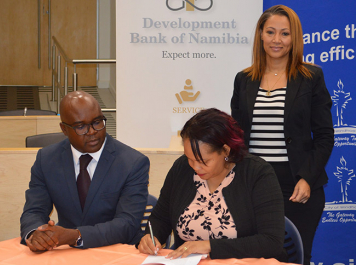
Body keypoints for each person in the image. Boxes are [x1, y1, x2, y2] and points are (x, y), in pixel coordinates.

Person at [230, 5, 334, 265]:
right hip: (253, 184)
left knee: (292, 258)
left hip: (298, 186)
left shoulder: (311, 77)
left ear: (294, 38)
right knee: (253, 258)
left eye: (285, 34)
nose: (277, 40)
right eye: (271, 32)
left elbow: (324, 135)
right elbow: (236, 137)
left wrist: (307, 178)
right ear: (260, 35)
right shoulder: (243, 79)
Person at [138, 108, 287, 261]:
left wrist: (210, 246)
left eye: (204, 161)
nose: (195, 167)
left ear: (226, 151)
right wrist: (152, 236)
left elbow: (271, 241)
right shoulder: (181, 168)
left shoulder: (257, 173)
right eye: (190, 159)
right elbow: (161, 218)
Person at [20, 91, 150, 252]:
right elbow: (34, 210)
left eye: (97, 122)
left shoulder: (132, 163)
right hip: (67, 254)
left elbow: (127, 224)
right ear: (64, 129)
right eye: (81, 126)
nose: (92, 131)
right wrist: (36, 234)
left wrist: (75, 236)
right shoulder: (46, 159)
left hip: (117, 250)